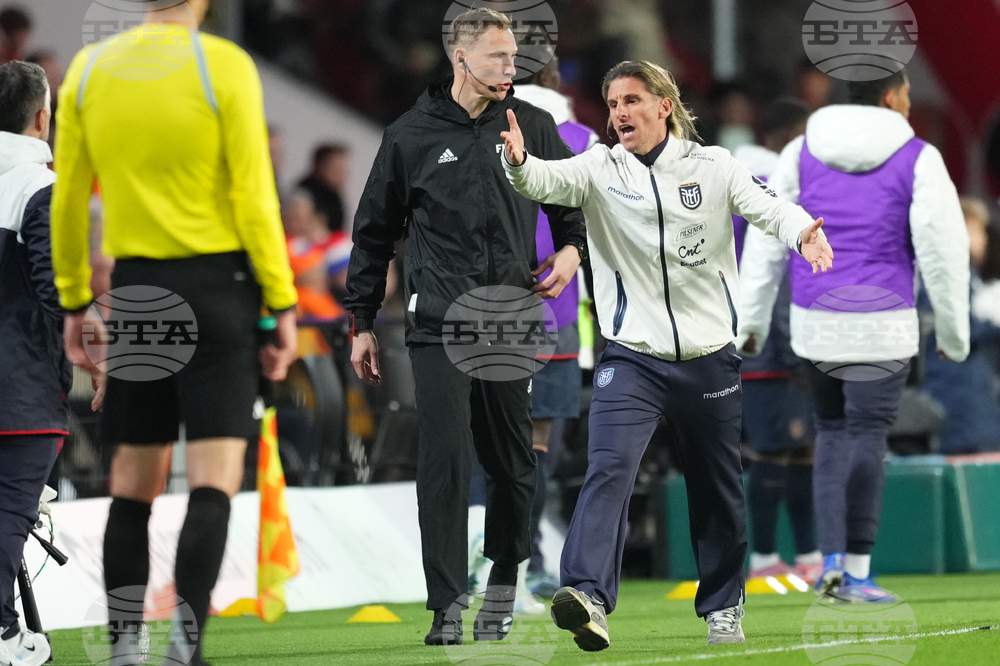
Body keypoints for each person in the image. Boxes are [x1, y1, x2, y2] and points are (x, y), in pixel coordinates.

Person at [501, 60, 833, 649]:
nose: (619, 113)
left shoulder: (714, 166)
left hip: (709, 357)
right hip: (633, 357)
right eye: (611, 104)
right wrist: (519, 162)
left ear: (665, 105)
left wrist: (803, 229)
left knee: (717, 485)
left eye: (631, 100)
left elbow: (768, 208)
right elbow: (546, 183)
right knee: (609, 469)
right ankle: (587, 596)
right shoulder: (601, 167)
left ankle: (724, 605)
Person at [50, 1, 298, 664]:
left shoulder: (90, 69)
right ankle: (184, 648)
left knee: (132, 486)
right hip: (220, 291)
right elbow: (253, 194)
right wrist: (281, 302)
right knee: (213, 481)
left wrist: (77, 303)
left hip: (135, 295)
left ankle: (126, 647)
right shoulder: (224, 66)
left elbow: (70, 197)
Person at [345, 7, 586, 646]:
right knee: (444, 460)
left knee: (511, 463)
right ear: (460, 58)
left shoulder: (534, 125)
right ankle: (447, 604)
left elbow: (571, 205)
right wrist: (361, 321)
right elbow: (373, 232)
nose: (513, 68)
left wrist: (570, 251)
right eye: (499, 58)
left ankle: (503, 584)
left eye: (514, 57)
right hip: (438, 322)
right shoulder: (409, 135)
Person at [738, 69, 970, 603]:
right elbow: (942, 250)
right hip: (883, 320)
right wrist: (953, 335)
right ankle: (857, 572)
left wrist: (749, 324)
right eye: (908, 95)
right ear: (891, 97)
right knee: (867, 435)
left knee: (832, 433)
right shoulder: (919, 156)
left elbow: (770, 236)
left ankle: (831, 565)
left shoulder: (799, 151)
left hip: (815, 317)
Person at [733, 98, 823, 583]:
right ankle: (767, 558)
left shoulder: (736, 185)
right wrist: (795, 351)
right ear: (786, 138)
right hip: (773, 348)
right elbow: (779, 276)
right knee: (777, 451)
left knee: (799, 450)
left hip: (756, 342)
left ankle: (806, 554)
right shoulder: (770, 192)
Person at [0, 60, 68, 666]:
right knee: (9, 511)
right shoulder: (37, 186)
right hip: (18, 386)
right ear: (43, 117)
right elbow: (55, 295)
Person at [920, 197, 1000, 454]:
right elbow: (958, 329)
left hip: (972, 398)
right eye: (976, 231)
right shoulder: (946, 273)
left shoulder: (967, 276)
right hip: (956, 400)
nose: (983, 239)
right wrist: (993, 323)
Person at [298, 144, 349, 232]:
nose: (342, 176)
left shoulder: (336, 198)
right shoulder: (303, 195)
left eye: (344, 171)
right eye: (337, 170)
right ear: (320, 166)